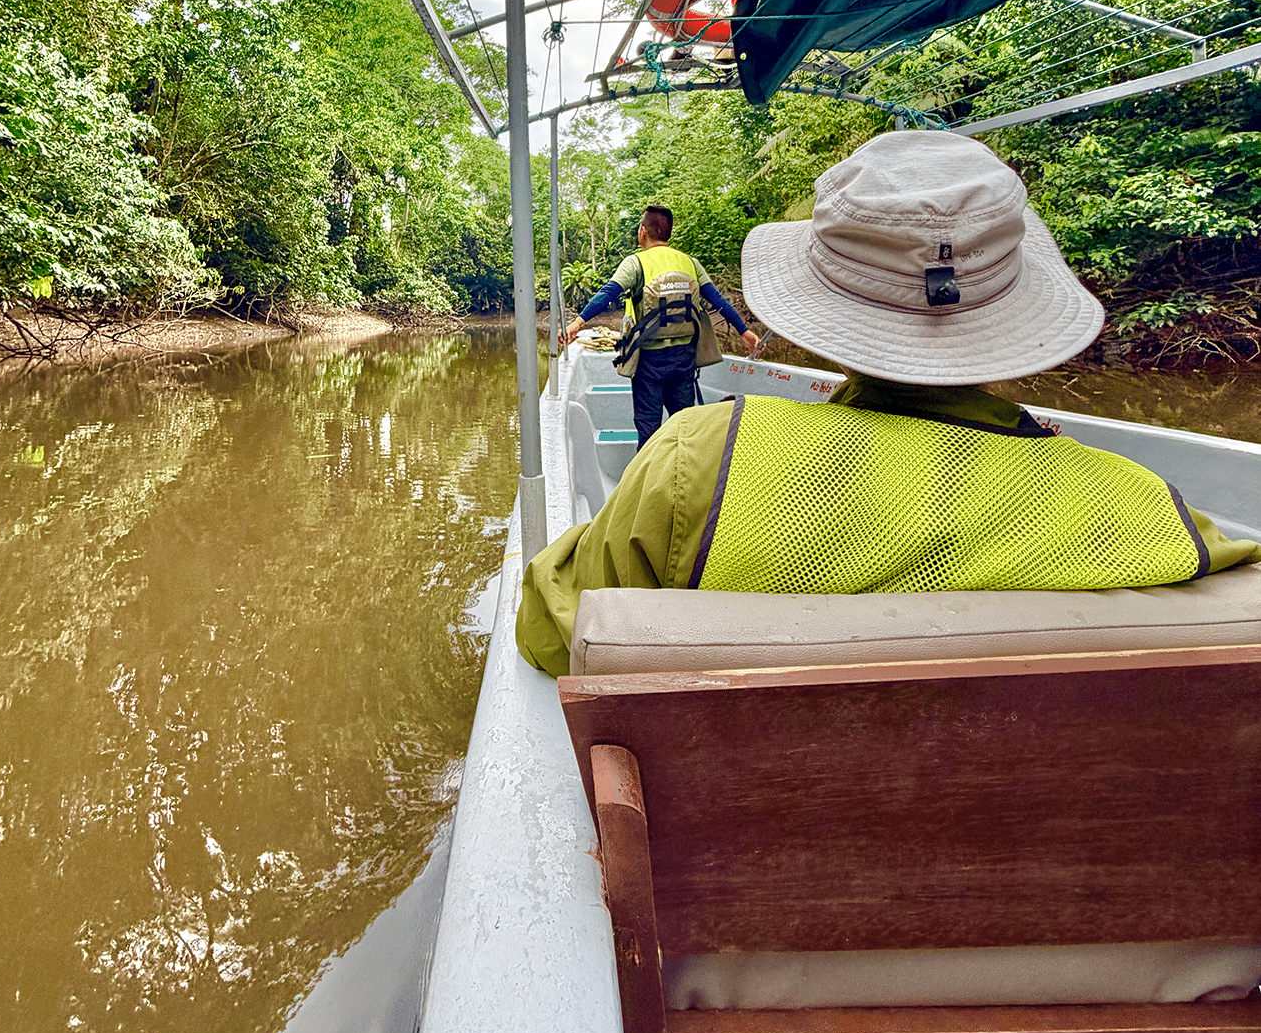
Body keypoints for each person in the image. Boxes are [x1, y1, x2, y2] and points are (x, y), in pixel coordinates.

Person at [518, 133, 1260, 676]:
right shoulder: (1147, 509)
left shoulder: (696, 464)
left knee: (659, 426)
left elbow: (552, 629)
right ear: (1013, 313)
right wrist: (735, 326)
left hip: (659, 375)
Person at [561, 204, 763, 448]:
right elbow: (717, 300)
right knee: (684, 429)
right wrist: (744, 331)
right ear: (668, 234)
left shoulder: (635, 263)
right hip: (684, 359)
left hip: (649, 361)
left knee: (649, 432)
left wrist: (578, 322)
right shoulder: (690, 262)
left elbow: (608, 292)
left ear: (642, 232)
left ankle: (647, 480)